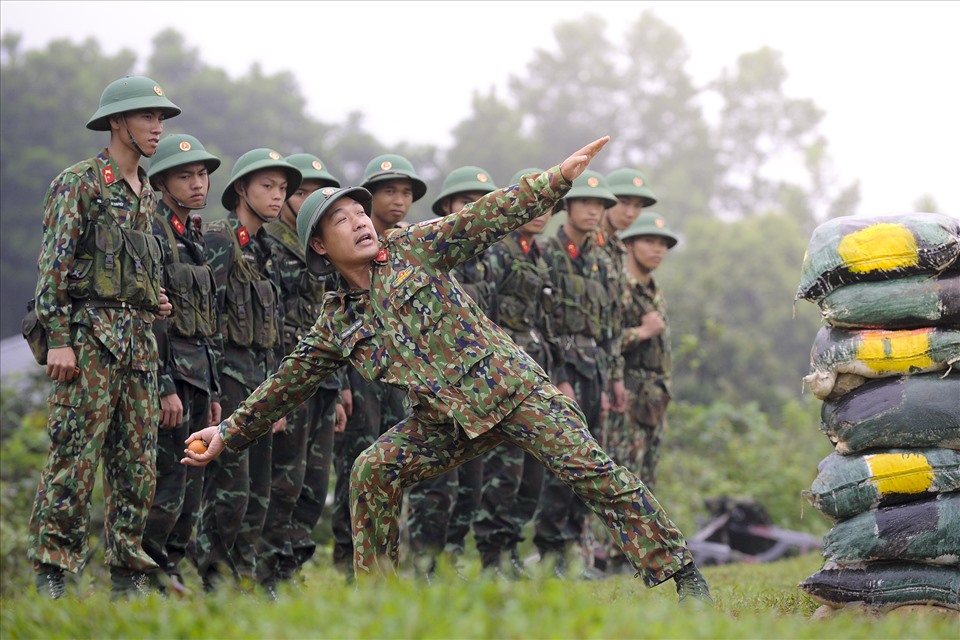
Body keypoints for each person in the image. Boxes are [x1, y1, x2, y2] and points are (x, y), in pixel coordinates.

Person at [183, 137, 713, 605]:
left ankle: (681, 572)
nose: (361, 222)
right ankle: (382, 600)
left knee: (592, 471)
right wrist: (227, 432)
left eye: (360, 214)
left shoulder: (411, 250)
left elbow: (482, 219)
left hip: (512, 391)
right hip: (447, 419)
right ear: (320, 245)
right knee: (373, 468)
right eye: (341, 220)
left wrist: (555, 181)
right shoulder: (337, 321)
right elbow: (286, 384)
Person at [28, 75, 180, 599]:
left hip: (139, 348)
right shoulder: (81, 182)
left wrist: (154, 297)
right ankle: (54, 572)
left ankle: (127, 577)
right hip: (89, 342)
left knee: (138, 464)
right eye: (146, 117)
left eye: (160, 118)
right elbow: (53, 270)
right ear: (118, 122)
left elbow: (135, 267)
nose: (157, 127)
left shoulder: (151, 196)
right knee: (74, 456)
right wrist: (59, 339)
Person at [193, 148, 301, 591]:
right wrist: (215, 391)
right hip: (232, 378)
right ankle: (215, 579)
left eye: (282, 189)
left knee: (259, 488)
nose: (277, 197)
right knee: (229, 490)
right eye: (267, 187)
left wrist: (277, 396)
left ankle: (245, 578)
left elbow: (274, 329)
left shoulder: (267, 248)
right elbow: (208, 318)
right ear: (241, 189)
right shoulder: (220, 239)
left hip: (261, 381)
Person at [328, 153, 427, 575]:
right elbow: (330, 326)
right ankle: (346, 561)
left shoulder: (406, 250)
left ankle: (386, 559)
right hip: (359, 373)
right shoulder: (344, 249)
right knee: (357, 463)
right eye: (389, 191)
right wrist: (339, 384)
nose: (399, 200)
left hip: (400, 377)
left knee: (394, 467)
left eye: (406, 192)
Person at [257, 153, 347, 596]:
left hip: (324, 382)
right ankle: (267, 571)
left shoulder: (324, 247)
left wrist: (342, 386)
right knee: (282, 482)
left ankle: (291, 568)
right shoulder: (267, 244)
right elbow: (263, 324)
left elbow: (338, 322)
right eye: (301, 192)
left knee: (313, 483)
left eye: (318, 192)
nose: (310, 199)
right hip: (286, 379)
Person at [405, 165, 498, 578]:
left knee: (471, 482)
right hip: (434, 382)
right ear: (446, 208)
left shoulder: (488, 264)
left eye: (482, 202)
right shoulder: (428, 252)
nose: (475, 209)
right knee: (434, 481)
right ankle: (424, 563)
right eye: (466, 203)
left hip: (479, 384)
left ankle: (453, 558)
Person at [142, 133, 223, 594]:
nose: (197, 184)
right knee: (167, 481)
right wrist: (164, 384)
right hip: (170, 378)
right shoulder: (152, 229)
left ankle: (169, 569)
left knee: (191, 488)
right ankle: (146, 573)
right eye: (184, 175)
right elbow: (153, 316)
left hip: (198, 380)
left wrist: (212, 393)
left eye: (201, 174)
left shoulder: (192, 234)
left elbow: (206, 322)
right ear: (162, 181)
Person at [535, 169, 621, 578]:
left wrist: (613, 380)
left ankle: (572, 551)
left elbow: (609, 326)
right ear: (567, 207)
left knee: (588, 464)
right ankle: (549, 551)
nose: (593, 211)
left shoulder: (602, 262)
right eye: (585, 202)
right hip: (562, 370)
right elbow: (543, 321)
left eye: (599, 205)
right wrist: (558, 377)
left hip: (596, 373)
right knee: (559, 461)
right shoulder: (549, 253)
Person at [472, 167, 558, 577]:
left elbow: (545, 323)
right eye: (534, 202)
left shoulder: (538, 256)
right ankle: (492, 557)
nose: (541, 212)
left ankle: (509, 553)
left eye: (548, 204)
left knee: (531, 473)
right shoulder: (499, 251)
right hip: (502, 378)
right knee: (503, 470)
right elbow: (481, 315)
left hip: (533, 371)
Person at [617, 211, 678, 491]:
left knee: (646, 486)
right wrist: (640, 333)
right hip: (624, 399)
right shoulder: (619, 286)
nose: (658, 249)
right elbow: (602, 342)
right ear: (629, 244)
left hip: (652, 402)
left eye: (663, 244)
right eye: (650, 241)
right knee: (620, 482)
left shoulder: (654, 291)